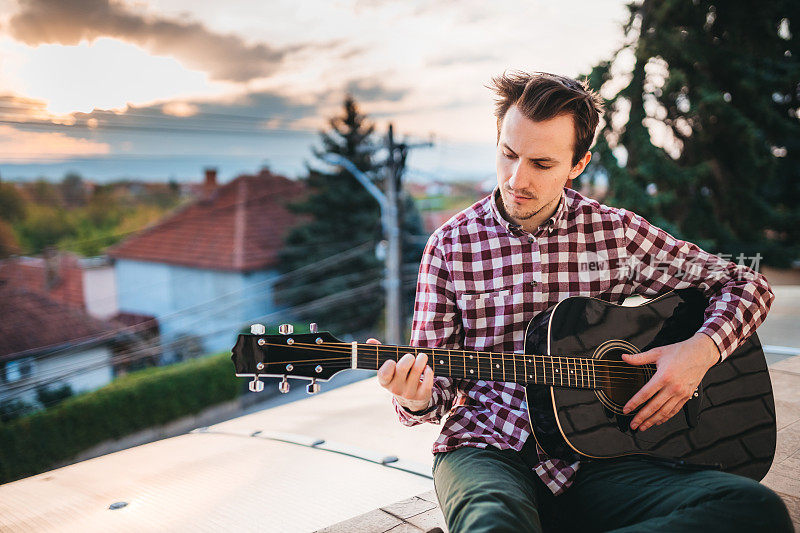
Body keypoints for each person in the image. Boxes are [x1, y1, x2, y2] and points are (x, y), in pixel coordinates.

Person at [369, 70, 793, 532]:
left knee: (755, 510)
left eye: (542, 164)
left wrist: (697, 352)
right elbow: (438, 391)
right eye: (508, 154)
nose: (517, 178)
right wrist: (416, 398)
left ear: (578, 164)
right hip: (489, 448)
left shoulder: (615, 233)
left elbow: (745, 284)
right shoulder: (450, 246)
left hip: (604, 453)